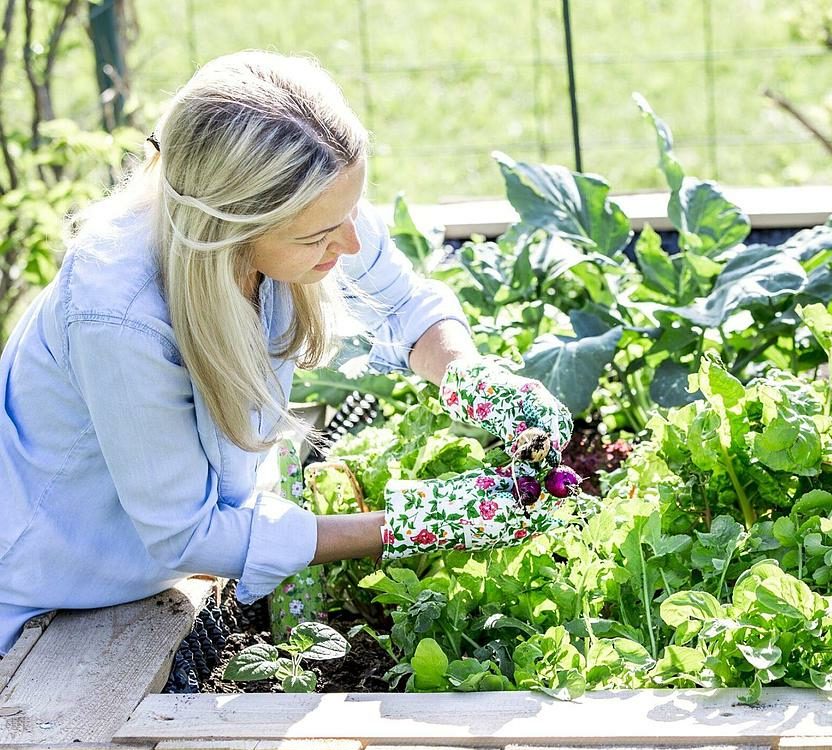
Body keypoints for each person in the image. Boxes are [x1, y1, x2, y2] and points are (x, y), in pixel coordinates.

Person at [0, 50, 572, 656]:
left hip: (141, 574)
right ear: (233, 230)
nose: (349, 243)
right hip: (46, 590)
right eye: (320, 236)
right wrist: (412, 525)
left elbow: (405, 305)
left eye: (351, 213)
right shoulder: (121, 316)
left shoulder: (316, 200)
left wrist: (474, 379)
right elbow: (187, 534)